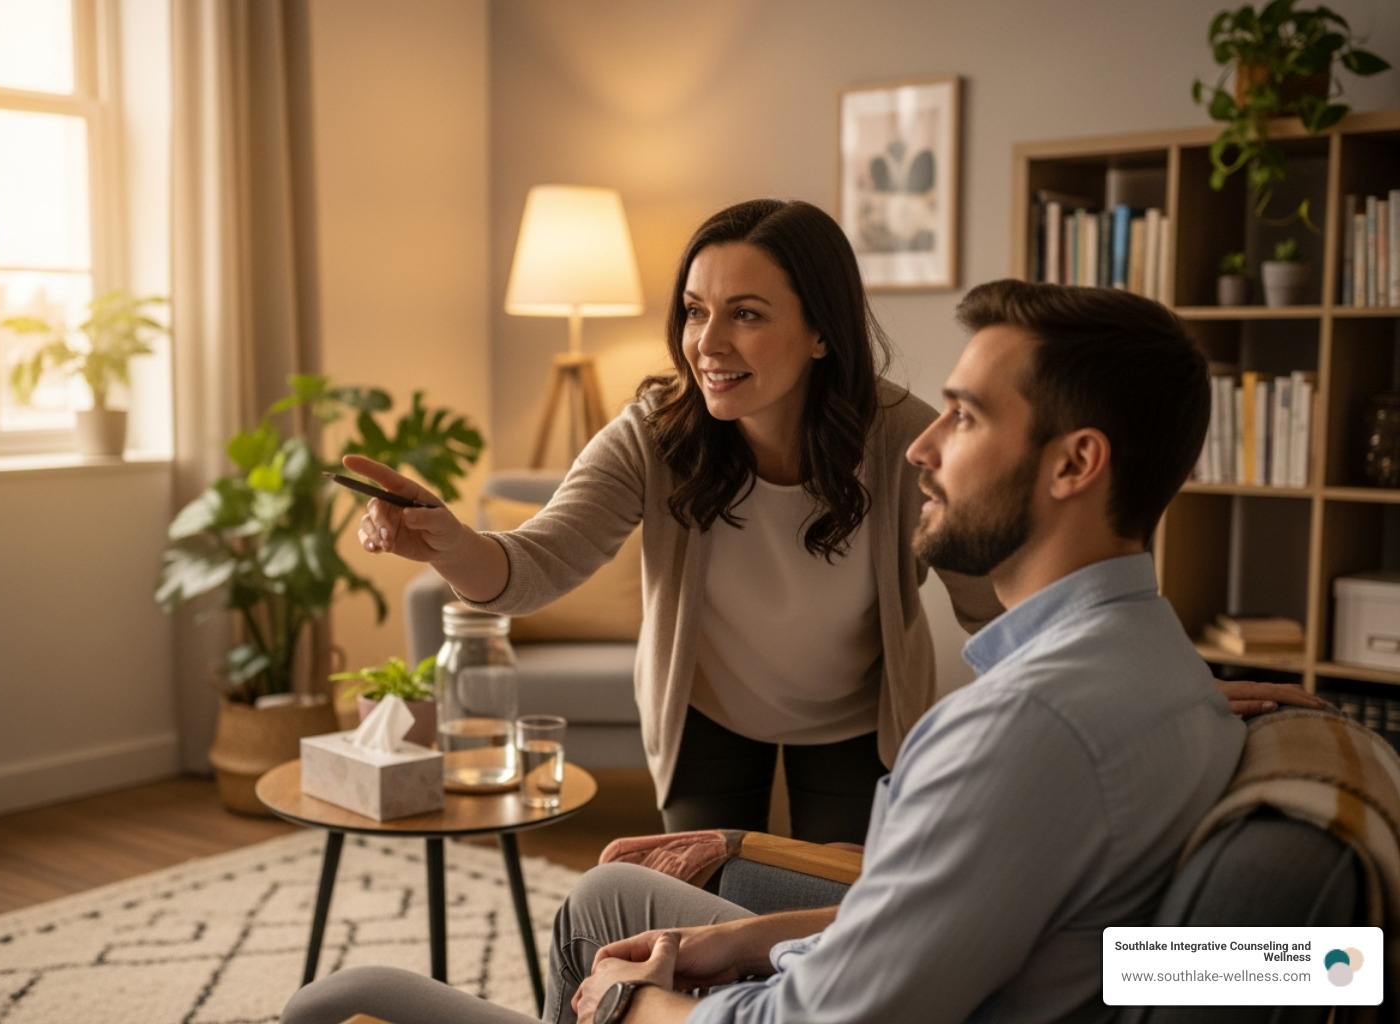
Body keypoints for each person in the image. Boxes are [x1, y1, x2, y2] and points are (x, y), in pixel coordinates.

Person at [282, 279, 1254, 1024]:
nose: (927, 447)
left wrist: (636, 1002)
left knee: (338, 999)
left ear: (1076, 462)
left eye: (964, 417)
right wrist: (743, 937)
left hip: (852, 786)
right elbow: (1040, 939)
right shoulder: (1164, 668)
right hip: (747, 749)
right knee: (617, 894)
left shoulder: (1019, 728)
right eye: (696, 310)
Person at [345, 198, 1003, 845]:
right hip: (705, 715)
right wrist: (448, 542)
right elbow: (534, 567)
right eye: (695, 312)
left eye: (745, 314)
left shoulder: (907, 441)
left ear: (821, 332)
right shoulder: (655, 435)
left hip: (862, 722)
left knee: (834, 925)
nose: (707, 344)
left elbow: (994, 610)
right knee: (703, 919)